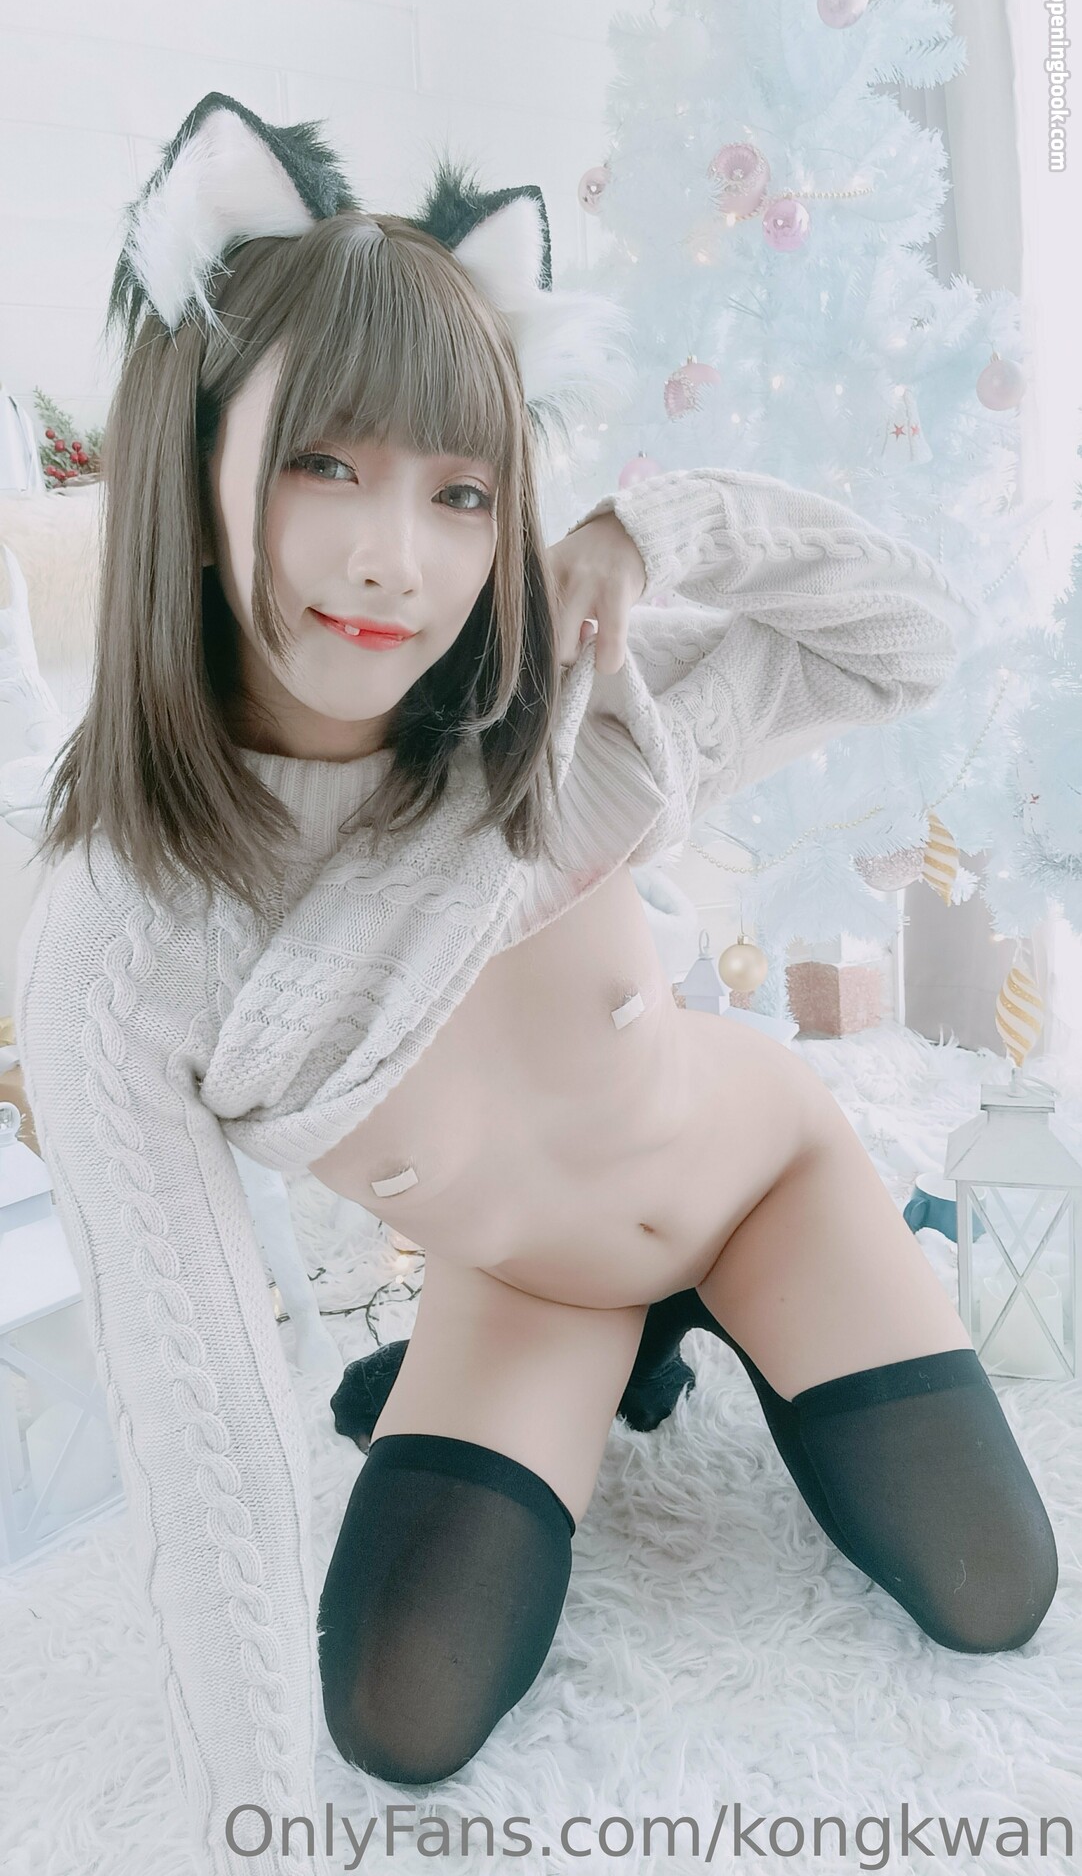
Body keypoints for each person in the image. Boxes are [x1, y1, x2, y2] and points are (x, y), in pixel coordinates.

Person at [15, 93, 1058, 1876]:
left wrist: (649, 534)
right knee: (393, 1718)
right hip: (530, 1284)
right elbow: (199, 1429)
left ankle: (832, 1261)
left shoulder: (552, 708)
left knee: (992, 1593)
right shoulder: (127, 935)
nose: (392, 558)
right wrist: (243, 1835)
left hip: (759, 1183)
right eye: (321, 465)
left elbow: (910, 637)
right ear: (187, 473)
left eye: (461, 492)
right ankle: (610, 1353)